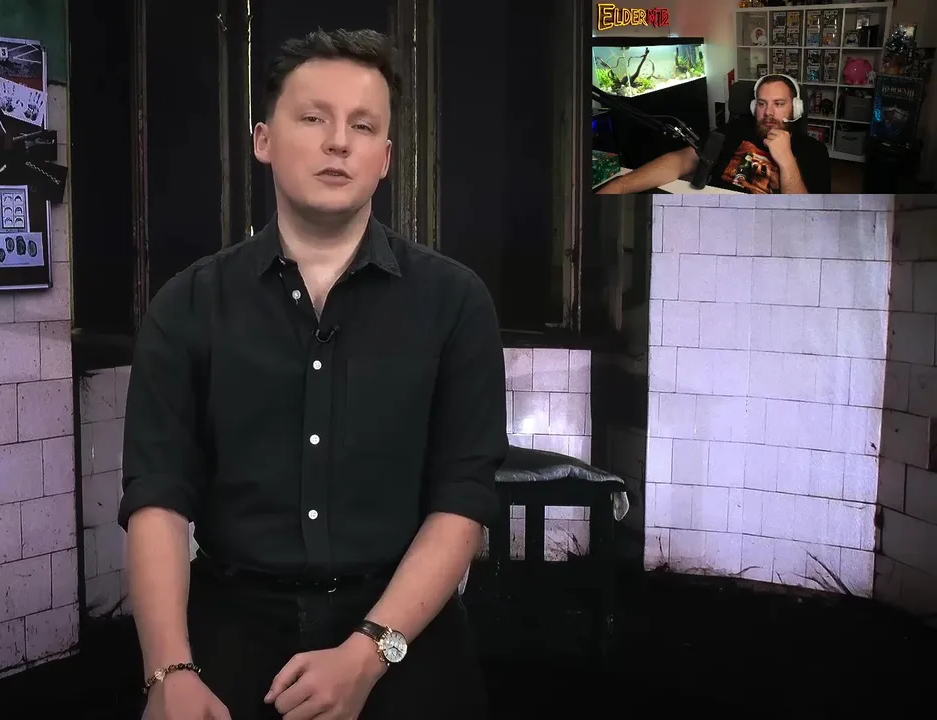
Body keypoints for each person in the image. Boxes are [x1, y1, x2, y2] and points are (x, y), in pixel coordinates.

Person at [120, 28, 504, 720]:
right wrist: (168, 669)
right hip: (230, 627)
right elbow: (158, 497)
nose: (338, 143)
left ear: (385, 158)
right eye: (313, 118)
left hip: (403, 629)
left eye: (363, 126)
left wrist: (369, 652)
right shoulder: (187, 305)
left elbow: (462, 499)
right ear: (264, 139)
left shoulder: (455, 302)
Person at [598, 74, 831, 194]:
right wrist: (620, 186)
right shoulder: (734, 130)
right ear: (754, 107)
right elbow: (682, 160)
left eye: (779, 104)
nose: (768, 112)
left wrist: (787, 160)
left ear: (796, 108)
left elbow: (806, 215)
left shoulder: (814, 152)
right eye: (762, 104)